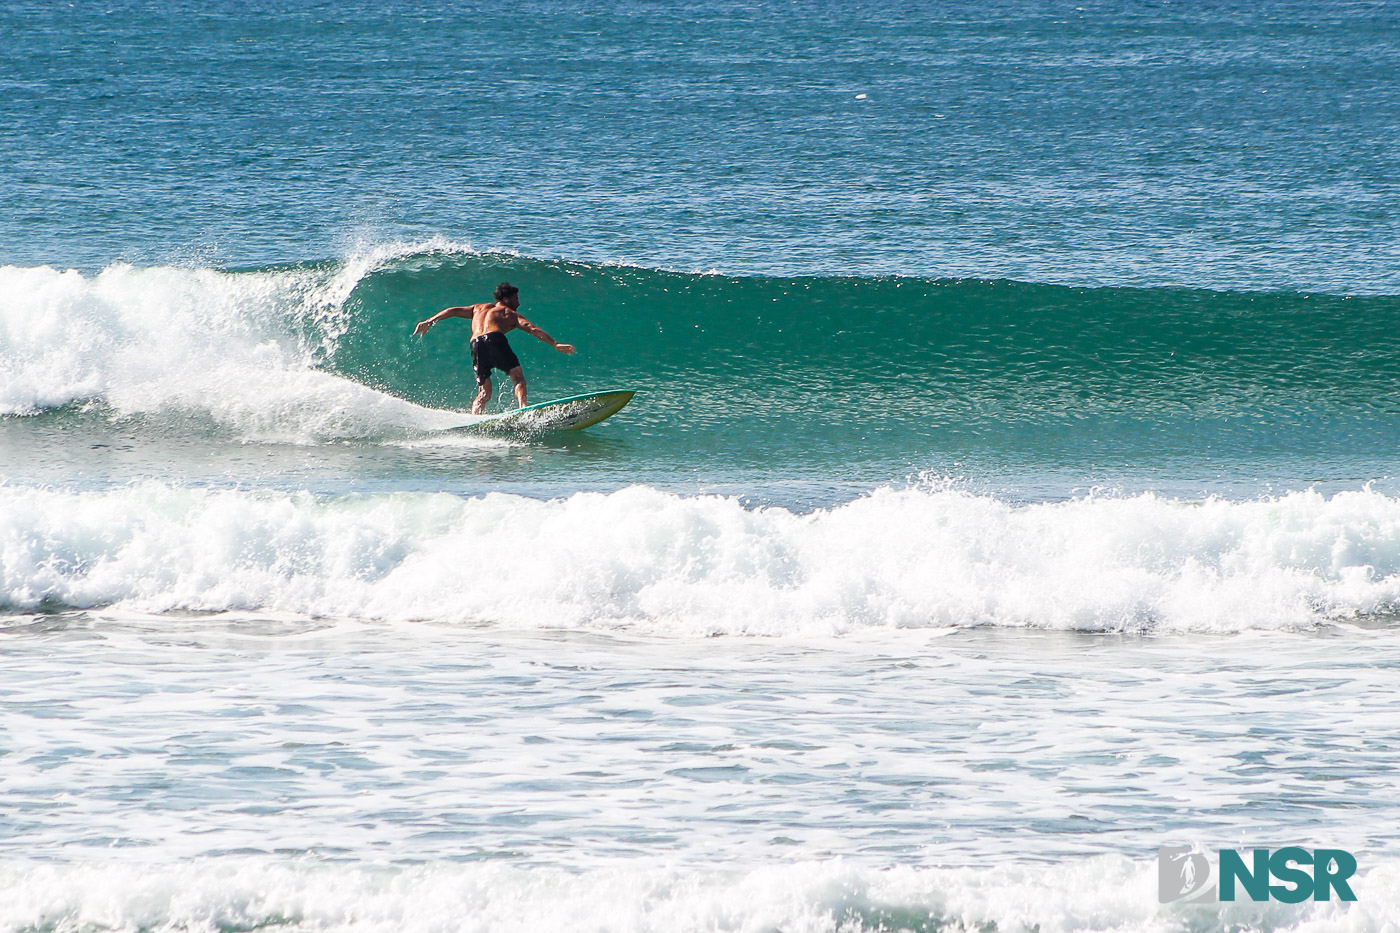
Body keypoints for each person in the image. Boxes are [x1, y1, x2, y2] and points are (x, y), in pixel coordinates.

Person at [412, 283, 575, 414]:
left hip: (475, 343)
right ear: (507, 299)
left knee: (484, 392)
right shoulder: (509, 313)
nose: (518, 303)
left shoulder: (478, 308)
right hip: (495, 339)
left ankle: (474, 417)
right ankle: (523, 409)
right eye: (516, 298)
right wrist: (555, 344)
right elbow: (532, 329)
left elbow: (452, 311)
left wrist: (429, 321)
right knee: (518, 379)